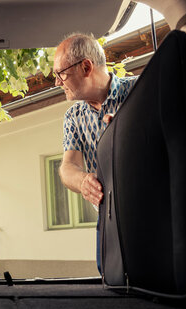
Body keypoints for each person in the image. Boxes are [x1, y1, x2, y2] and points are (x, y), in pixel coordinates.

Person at [53, 33, 138, 271]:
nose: (58, 82)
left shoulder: (140, 91)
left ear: (86, 67)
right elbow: (68, 166)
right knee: (111, 279)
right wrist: (82, 181)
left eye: (61, 74)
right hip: (108, 218)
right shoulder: (73, 116)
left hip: (150, 209)